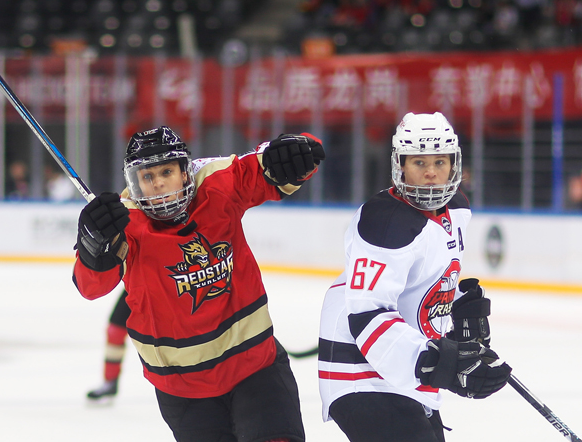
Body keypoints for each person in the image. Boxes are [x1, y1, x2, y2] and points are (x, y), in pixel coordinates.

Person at [73, 125, 325, 442]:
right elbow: (90, 286)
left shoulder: (216, 184)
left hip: (255, 369)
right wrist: (93, 246)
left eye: (166, 171)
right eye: (147, 177)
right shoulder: (124, 224)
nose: (159, 183)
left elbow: (288, 160)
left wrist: (295, 150)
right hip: (183, 392)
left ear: (185, 170)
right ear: (134, 182)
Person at [318, 112, 512, 442]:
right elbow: (367, 316)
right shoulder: (385, 222)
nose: (431, 173)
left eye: (440, 161)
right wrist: (444, 363)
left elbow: (427, 279)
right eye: (419, 162)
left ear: (455, 163)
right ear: (400, 165)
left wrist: (461, 306)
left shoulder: (458, 208)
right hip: (361, 372)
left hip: (411, 369)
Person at [86, 289, 130, 401]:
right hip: (137, 283)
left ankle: (175, 382)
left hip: (169, 286)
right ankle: (110, 381)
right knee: (115, 331)